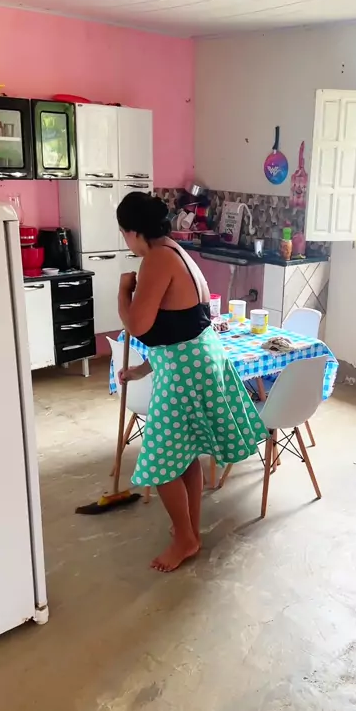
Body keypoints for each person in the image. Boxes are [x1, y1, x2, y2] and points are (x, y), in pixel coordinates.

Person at [117, 192, 268, 572]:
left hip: (185, 372)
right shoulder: (177, 252)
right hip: (196, 360)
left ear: (133, 232)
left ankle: (185, 538)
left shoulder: (156, 259)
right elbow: (178, 330)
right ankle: (189, 531)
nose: (125, 241)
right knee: (184, 454)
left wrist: (123, 292)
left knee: (161, 461)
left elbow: (138, 326)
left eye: (123, 233)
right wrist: (142, 370)